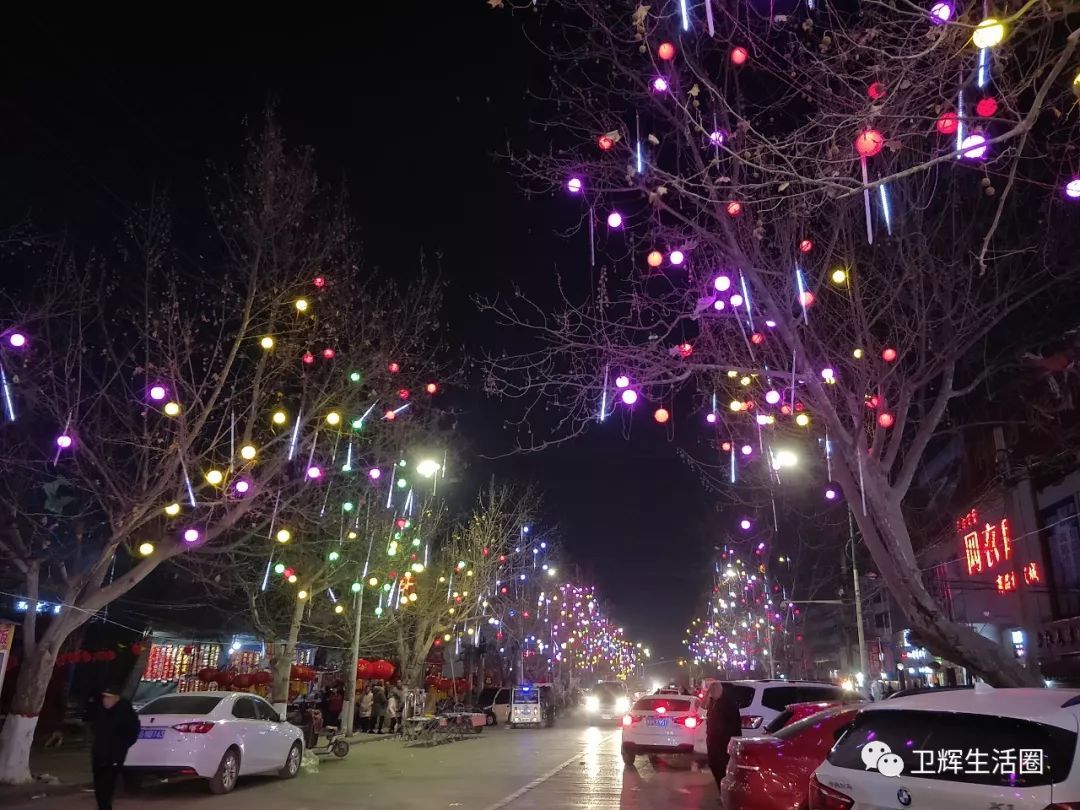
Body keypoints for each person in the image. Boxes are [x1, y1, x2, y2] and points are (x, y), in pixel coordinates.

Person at [90, 686, 139, 810]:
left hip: (114, 756)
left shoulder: (125, 712)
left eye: (109, 698)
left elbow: (132, 733)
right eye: (104, 698)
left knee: (107, 784)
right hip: (99, 755)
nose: (105, 701)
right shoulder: (101, 711)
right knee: (99, 786)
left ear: (116, 698)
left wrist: (121, 747)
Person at [705, 682, 741, 794]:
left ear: (718, 691)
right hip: (713, 741)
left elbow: (734, 725)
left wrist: (730, 740)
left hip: (723, 741)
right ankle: (722, 791)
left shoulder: (728, 704)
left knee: (722, 767)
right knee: (714, 765)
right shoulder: (713, 702)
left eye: (712, 691)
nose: (710, 694)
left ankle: (725, 793)